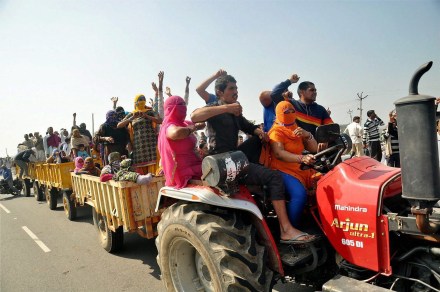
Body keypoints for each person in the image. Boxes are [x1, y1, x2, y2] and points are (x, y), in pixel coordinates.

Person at [191, 74, 317, 244]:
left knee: (261, 139)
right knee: (274, 178)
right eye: (231, 89)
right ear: (220, 93)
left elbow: (248, 126)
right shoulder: (216, 108)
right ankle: (286, 230)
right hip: (221, 161)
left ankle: (263, 180)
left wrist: (259, 133)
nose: (236, 92)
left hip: (235, 156)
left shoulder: (236, 112)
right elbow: (195, 116)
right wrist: (227, 108)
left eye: (236, 88)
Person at [268, 101, 318, 227]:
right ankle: (292, 228)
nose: (290, 114)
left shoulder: (296, 128)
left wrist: (308, 135)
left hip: (300, 167)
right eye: (286, 112)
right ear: (279, 114)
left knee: (323, 183)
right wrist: (301, 158)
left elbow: (314, 149)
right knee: (299, 194)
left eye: (292, 111)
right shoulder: (276, 132)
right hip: (282, 169)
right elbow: (279, 154)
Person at [261, 73, 333, 139]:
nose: (315, 92)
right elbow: (274, 94)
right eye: (312, 90)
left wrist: (325, 140)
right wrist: (290, 81)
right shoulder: (290, 105)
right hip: (295, 148)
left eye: (315, 90)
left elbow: (332, 130)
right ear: (302, 92)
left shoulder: (321, 110)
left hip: (317, 150)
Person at [158, 96, 205, 188]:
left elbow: (202, 124)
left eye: (184, 104)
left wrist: (197, 125)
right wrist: (191, 129)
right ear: (170, 108)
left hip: (196, 165)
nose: (184, 107)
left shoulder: (185, 123)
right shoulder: (168, 126)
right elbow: (175, 133)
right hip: (184, 172)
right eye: (180, 105)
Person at [117, 94, 162, 171]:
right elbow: (119, 125)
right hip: (138, 147)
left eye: (143, 100)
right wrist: (132, 118)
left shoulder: (150, 112)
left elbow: (160, 120)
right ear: (135, 103)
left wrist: (146, 116)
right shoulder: (132, 114)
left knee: (153, 166)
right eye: (140, 100)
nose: (142, 102)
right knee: (140, 168)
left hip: (150, 145)